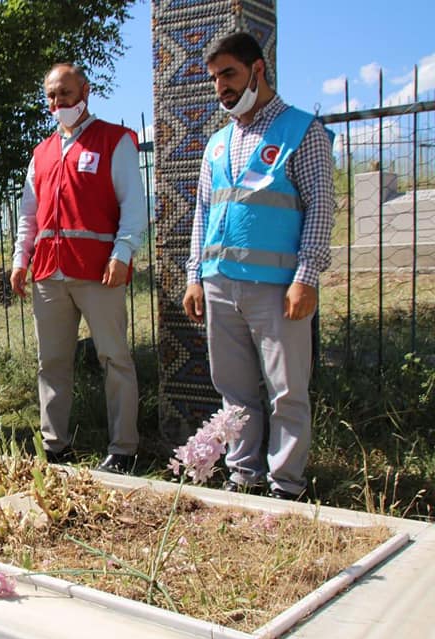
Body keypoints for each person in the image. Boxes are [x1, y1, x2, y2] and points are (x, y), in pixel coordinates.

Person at [182, 32, 334, 500]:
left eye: (228, 73)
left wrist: (306, 276)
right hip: (220, 284)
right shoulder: (218, 144)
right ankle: (243, 474)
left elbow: (321, 206)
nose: (221, 87)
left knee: (286, 390)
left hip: (278, 287)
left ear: (258, 69)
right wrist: (194, 276)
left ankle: (286, 484)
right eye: (214, 79)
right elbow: (203, 214)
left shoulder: (301, 131)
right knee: (234, 389)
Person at [11, 63, 147, 474]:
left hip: (98, 271)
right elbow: (28, 214)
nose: (58, 103)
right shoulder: (42, 152)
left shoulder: (114, 140)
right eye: (51, 96)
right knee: (51, 362)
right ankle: (55, 445)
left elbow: (134, 206)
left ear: (84, 91)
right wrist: (21, 258)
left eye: (65, 94)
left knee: (114, 358)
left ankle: (124, 448)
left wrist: (123, 254)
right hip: (49, 273)